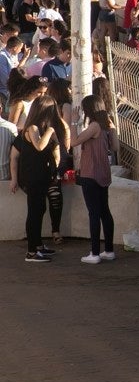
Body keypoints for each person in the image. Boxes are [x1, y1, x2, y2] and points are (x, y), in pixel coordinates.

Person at [10, 94, 65, 262]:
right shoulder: (32, 128)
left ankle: (38, 245)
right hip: (32, 177)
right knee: (34, 212)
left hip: (41, 177)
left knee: (39, 210)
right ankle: (31, 252)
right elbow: (39, 146)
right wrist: (50, 131)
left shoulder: (41, 128)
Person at [70, 93, 118, 263]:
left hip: (91, 173)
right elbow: (116, 147)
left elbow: (73, 142)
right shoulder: (107, 125)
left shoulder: (95, 126)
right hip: (103, 173)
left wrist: (74, 121)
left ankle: (95, 253)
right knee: (104, 211)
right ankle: (109, 250)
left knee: (94, 213)